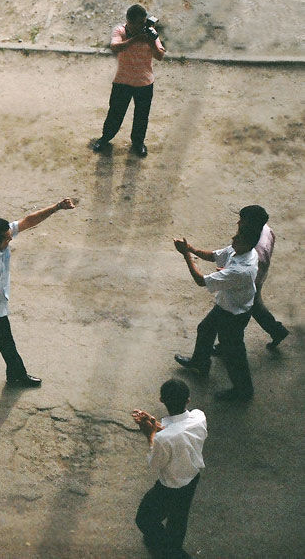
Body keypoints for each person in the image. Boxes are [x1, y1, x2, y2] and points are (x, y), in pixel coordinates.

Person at [0, 198, 76, 388]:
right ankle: (4, 375)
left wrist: (56, 207)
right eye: (7, 238)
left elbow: (28, 221)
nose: (11, 238)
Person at [172, 222, 260, 401]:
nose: (233, 238)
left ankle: (243, 391)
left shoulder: (240, 270)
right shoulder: (242, 250)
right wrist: (192, 248)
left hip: (233, 315)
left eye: (238, 238)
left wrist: (186, 255)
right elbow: (214, 256)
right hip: (226, 306)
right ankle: (200, 363)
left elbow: (200, 281)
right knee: (205, 329)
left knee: (233, 355)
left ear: (247, 243)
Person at [132, 378, 206, 559]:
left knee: (144, 518)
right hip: (192, 477)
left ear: (161, 400)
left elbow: (155, 463)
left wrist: (150, 434)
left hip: (170, 486)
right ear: (188, 400)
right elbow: (178, 432)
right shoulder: (199, 416)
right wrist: (157, 425)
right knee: (179, 518)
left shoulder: (162, 439)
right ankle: (173, 547)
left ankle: (170, 550)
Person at [92, 4, 166, 157]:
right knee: (115, 113)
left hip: (144, 82)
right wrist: (135, 39)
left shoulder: (150, 33)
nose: (142, 26)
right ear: (129, 22)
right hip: (122, 81)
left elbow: (159, 56)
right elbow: (115, 47)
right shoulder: (120, 31)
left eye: (144, 22)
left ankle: (138, 143)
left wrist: (151, 41)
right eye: (139, 23)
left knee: (141, 116)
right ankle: (106, 138)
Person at [236, 205, 289, 349]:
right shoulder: (266, 230)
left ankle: (226, 344)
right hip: (260, 276)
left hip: (251, 280)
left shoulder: (254, 250)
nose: (238, 223)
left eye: (242, 220)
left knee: (237, 314)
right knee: (256, 307)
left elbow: (247, 271)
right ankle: (277, 331)